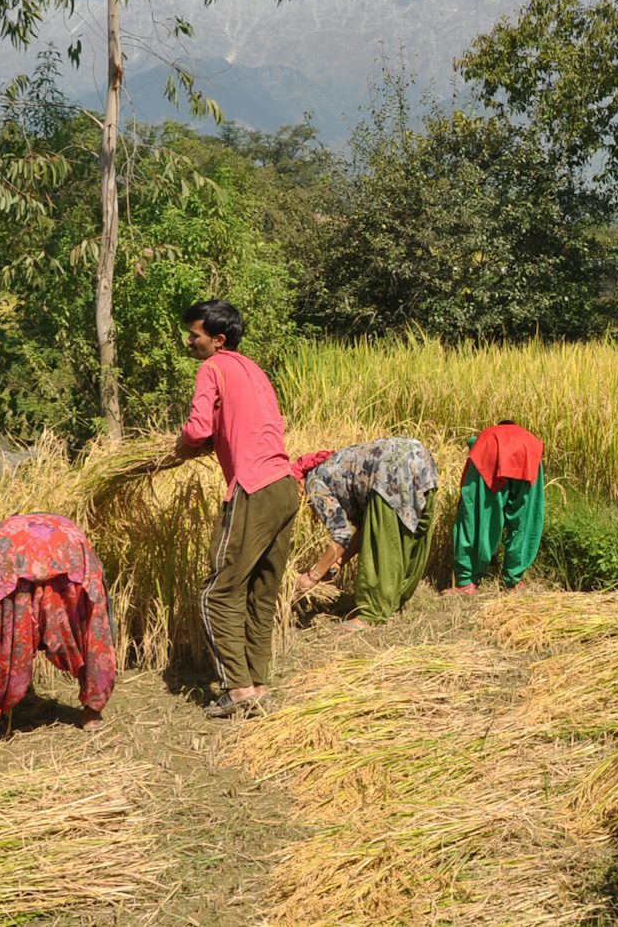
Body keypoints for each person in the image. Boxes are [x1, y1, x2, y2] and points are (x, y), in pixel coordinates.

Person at [170, 298, 299, 718]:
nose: (189, 342)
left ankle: (238, 689)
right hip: (284, 486)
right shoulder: (254, 369)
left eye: (195, 335)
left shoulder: (212, 367)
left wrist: (183, 447)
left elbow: (198, 428)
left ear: (217, 340)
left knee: (218, 593)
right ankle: (258, 684)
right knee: (261, 591)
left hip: (252, 489)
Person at [0, 513, 116, 744]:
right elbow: (98, 619)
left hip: (11, 556)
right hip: (68, 549)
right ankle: (92, 716)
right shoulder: (65, 528)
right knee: (88, 631)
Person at [293, 438, 442, 628]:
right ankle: (394, 601)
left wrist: (312, 576)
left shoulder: (313, 484)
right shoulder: (332, 467)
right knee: (410, 536)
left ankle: (369, 615)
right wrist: (339, 560)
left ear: (299, 482)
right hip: (420, 456)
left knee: (382, 545)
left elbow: (342, 535)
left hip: (389, 473)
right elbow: (367, 527)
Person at [443, 420, 545, 596]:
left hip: (489, 450)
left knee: (478, 517)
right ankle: (514, 580)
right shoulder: (528, 437)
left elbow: (474, 444)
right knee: (524, 519)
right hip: (529, 452)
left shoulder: (488, 435)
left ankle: (467, 582)